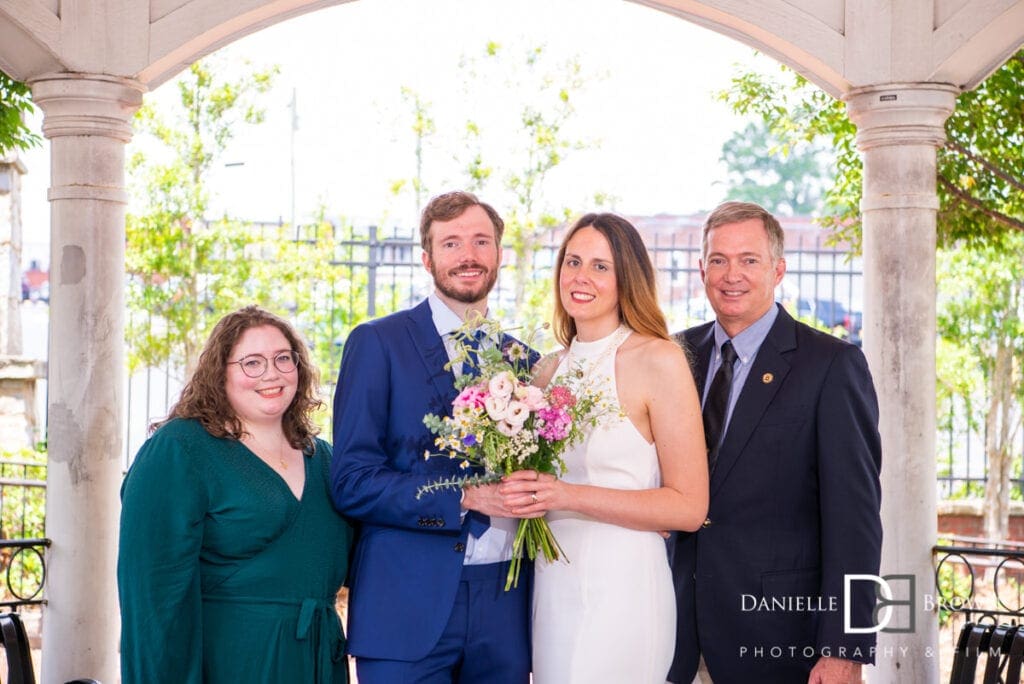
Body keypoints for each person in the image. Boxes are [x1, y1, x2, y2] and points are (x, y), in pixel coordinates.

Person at [667, 201, 883, 684]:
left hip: (780, 638)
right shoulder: (674, 356)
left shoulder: (831, 365)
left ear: (778, 269)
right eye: (718, 260)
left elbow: (857, 522)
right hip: (674, 632)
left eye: (749, 260)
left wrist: (845, 647)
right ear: (702, 269)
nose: (731, 275)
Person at [331, 190, 532, 683]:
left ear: (499, 255)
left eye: (481, 241)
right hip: (405, 601)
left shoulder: (525, 362)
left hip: (507, 602)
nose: (468, 255)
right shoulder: (377, 343)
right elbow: (353, 481)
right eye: (451, 244)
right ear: (427, 259)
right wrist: (463, 497)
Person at [499, 212, 709, 683]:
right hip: (553, 587)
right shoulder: (545, 373)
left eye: (600, 266)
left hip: (625, 587)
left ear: (625, 278)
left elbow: (689, 507)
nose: (580, 277)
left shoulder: (659, 358)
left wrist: (566, 496)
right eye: (572, 261)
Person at [118, 305, 353, 683]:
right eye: (252, 363)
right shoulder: (179, 450)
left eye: (283, 359)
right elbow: (152, 600)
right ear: (219, 373)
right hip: (231, 662)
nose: (272, 374)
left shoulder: (324, 458)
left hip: (317, 663)